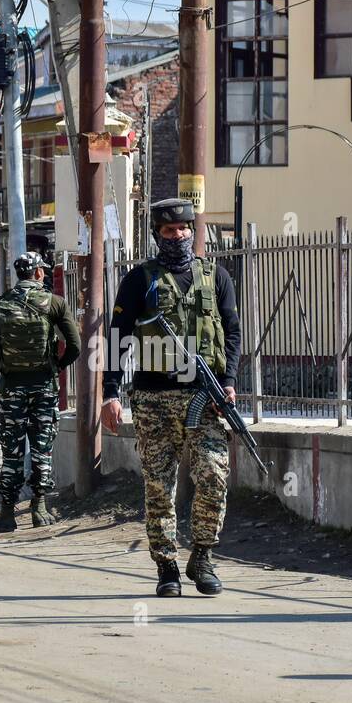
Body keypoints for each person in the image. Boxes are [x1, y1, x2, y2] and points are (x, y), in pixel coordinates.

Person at [101, 198, 242, 597]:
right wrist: (111, 394)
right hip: (153, 397)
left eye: (183, 230)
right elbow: (117, 337)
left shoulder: (217, 277)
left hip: (206, 395)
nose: (177, 236)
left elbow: (232, 332)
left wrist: (229, 380)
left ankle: (203, 555)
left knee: (213, 475)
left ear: (193, 232)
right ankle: (166, 566)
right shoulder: (139, 279)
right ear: (156, 234)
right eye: (168, 231)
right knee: (159, 485)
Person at [0, 251, 80, 532]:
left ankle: (6, 512)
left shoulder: (0, 305)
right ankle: (39, 507)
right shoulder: (55, 303)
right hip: (44, 387)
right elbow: (74, 346)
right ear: (38, 273)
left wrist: (5, 370)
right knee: (41, 448)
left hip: (12, 387)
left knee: (11, 450)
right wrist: (54, 367)